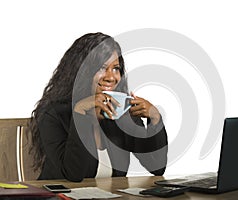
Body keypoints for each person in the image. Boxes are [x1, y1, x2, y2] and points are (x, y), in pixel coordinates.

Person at [29, 32, 168, 182]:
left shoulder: (120, 111)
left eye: (116, 68)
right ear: (81, 71)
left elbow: (157, 167)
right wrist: (81, 113)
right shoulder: (53, 114)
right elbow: (73, 175)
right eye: (102, 68)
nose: (111, 77)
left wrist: (155, 118)